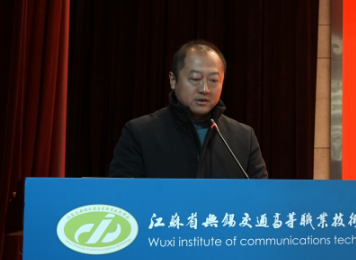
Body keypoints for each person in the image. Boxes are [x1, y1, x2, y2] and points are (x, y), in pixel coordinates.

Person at [108, 40, 267, 179]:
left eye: (213, 80)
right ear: (173, 80)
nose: (205, 89)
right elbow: (121, 196)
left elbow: (261, 197)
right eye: (195, 79)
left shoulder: (244, 138)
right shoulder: (140, 133)